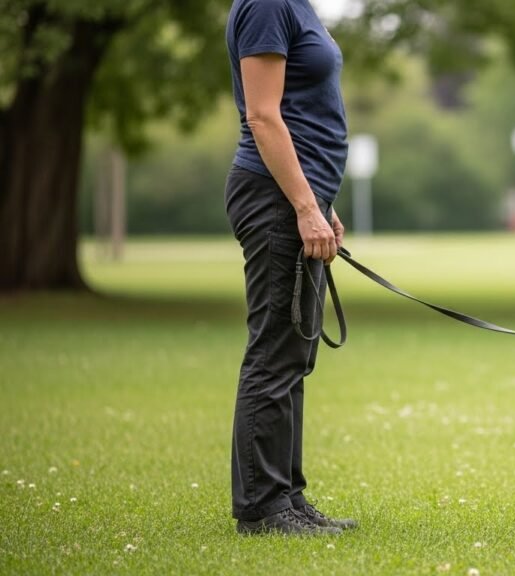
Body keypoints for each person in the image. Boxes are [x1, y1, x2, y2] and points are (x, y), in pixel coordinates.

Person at [224, 0, 355, 535]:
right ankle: (263, 508)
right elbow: (262, 114)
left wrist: (321, 203)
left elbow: (304, 106)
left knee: (295, 353)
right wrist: (304, 205)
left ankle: (288, 498)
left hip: (299, 197)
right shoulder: (267, 4)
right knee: (274, 351)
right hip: (273, 196)